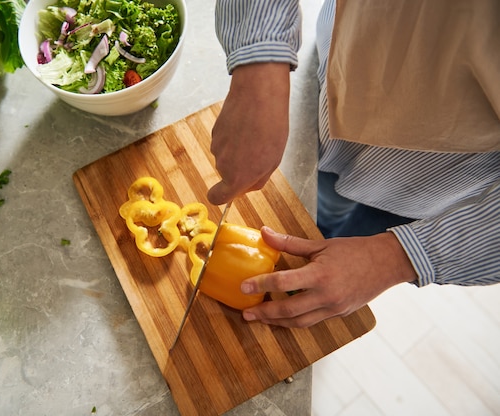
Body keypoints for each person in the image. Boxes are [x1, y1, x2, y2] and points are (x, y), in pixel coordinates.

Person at [208, 0, 500, 328]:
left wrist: (396, 257)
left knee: (337, 239)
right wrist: (258, 69)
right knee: (317, 216)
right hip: (335, 66)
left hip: (429, 183)